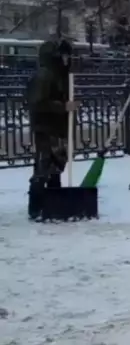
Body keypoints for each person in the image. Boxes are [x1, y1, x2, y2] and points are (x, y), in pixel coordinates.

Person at [27, 38, 77, 217]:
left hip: (58, 127)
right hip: (46, 128)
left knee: (56, 165)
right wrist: (63, 107)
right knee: (44, 166)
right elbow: (38, 103)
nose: (67, 59)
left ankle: (54, 204)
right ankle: (37, 206)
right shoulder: (44, 76)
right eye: (64, 56)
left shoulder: (60, 75)